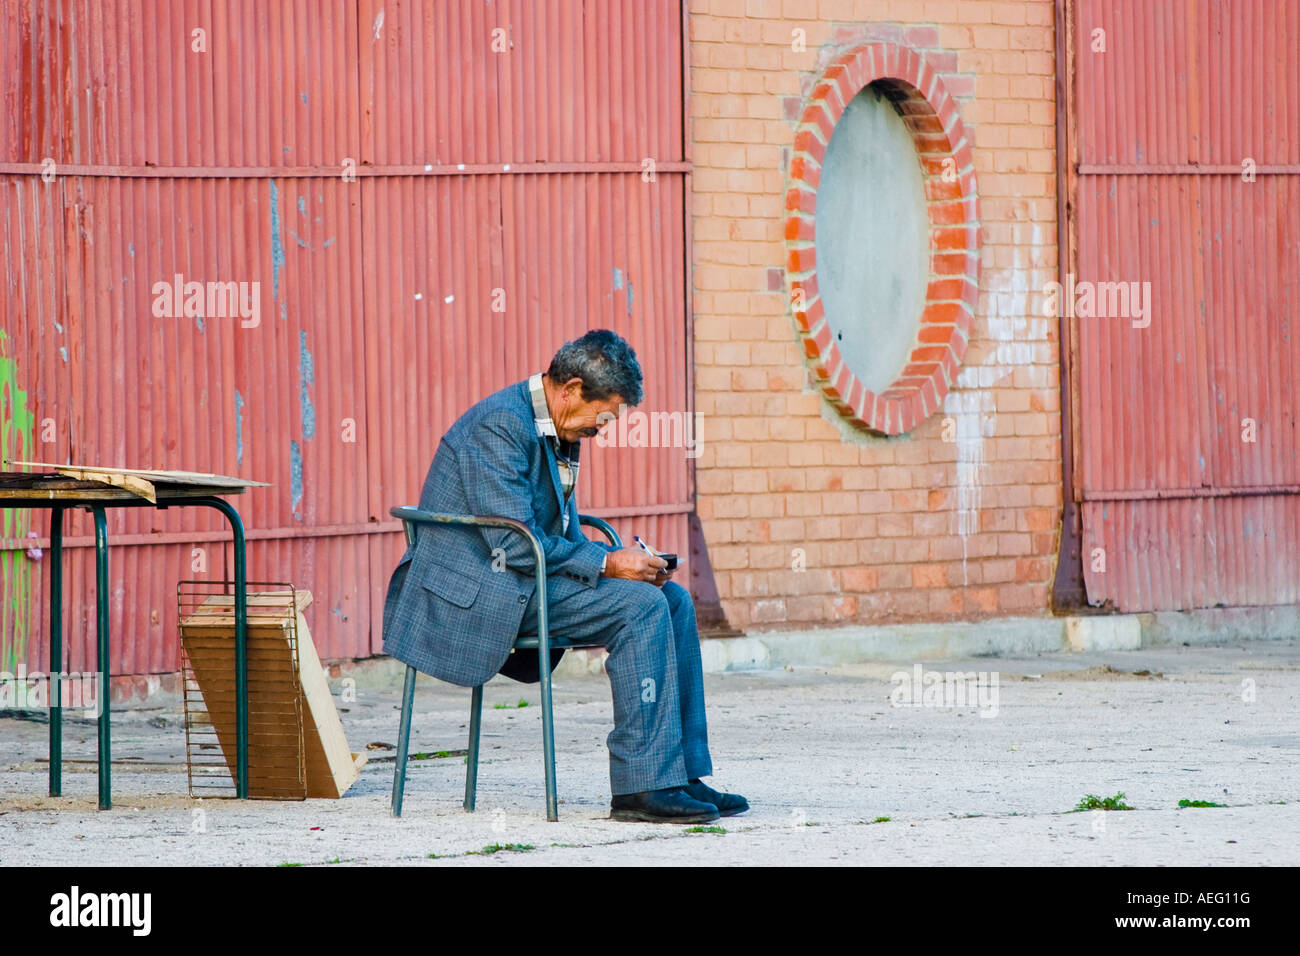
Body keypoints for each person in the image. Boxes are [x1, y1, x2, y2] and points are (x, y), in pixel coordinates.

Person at [382, 329, 747, 823]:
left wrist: (626, 564)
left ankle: (678, 772)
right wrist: (609, 563)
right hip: (481, 591)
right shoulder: (500, 426)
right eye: (603, 416)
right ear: (572, 389)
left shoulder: (556, 425)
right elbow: (512, 543)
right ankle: (641, 789)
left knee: (674, 600)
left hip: (521, 579)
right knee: (639, 608)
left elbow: (553, 535)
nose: (603, 428)